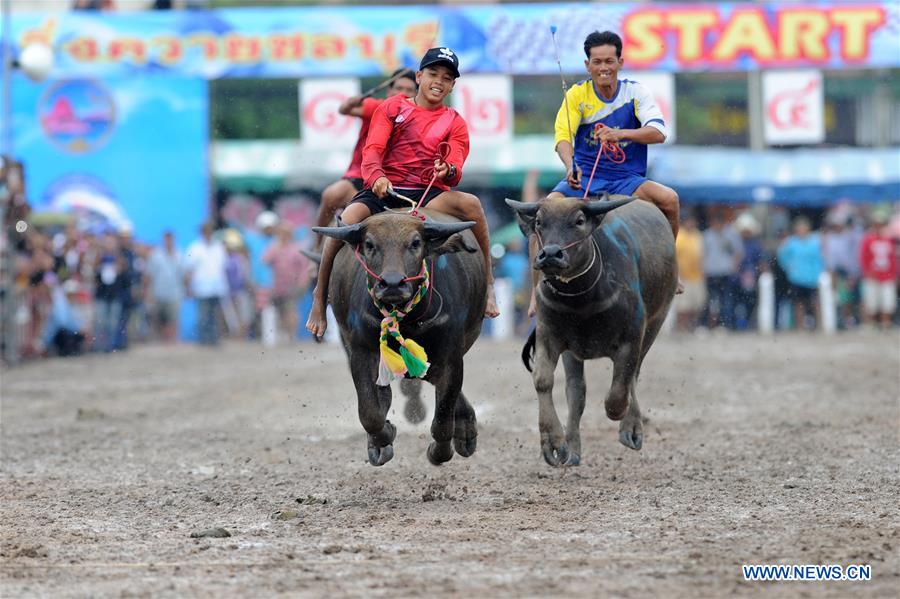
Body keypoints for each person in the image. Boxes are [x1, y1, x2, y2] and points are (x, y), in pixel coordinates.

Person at [306, 47, 499, 338]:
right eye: (433, 74)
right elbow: (373, 150)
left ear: (452, 86)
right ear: (419, 76)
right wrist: (377, 177)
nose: (439, 81)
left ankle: (488, 285)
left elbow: (457, 164)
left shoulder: (455, 121)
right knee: (344, 221)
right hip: (385, 190)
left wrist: (447, 169)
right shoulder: (391, 107)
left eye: (447, 78)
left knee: (472, 205)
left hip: (428, 192)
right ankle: (320, 297)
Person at [529, 30, 681, 315]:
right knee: (542, 213)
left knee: (669, 199)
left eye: (609, 61)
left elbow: (658, 132)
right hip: (584, 178)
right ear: (587, 65)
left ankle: (668, 267)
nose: (603, 68)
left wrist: (620, 133)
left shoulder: (636, 92)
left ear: (620, 62)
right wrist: (570, 165)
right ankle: (536, 292)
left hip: (627, 179)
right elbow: (563, 137)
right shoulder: (577, 95)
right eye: (597, 62)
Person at [311, 69, 418, 252]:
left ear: (416, 94)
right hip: (362, 175)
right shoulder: (378, 107)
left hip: (395, 182)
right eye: (399, 88)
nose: (403, 93)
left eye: (409, 90)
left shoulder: (418, 116)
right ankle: (318, 249)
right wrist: (349, 103)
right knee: (332, 194)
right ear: (389, 91)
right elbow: (344, 110)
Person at [263, 223, 309, 343]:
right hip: (278, 287)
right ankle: (286, 333)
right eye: (281, 233)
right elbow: (265, 260)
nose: (282, 236)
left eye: (285, 233)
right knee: (281, 311)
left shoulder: (296, 248)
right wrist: (276, 247)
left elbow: (304, 267)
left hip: (293, 286)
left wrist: (302, 282)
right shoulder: (274, 248)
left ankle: (291, 335)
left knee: (290, 309)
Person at [184, 222, 228, 346]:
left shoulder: (218, 247)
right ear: (202, 232)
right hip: (201, 288)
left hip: (217, 287)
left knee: (215, 315)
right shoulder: (194, 248)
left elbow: (223, 267)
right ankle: (203, 340)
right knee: (203, 315)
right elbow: (189, 269)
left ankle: (214, 339)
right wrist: (188, 287)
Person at [777, 217, 823, 330]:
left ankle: (819, 325)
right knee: (798, 303)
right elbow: (781, 256)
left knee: (815, 302)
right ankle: (800, 326)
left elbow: (820, 258)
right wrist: (788, 268)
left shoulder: (815, 242)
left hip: (812, 278)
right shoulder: (790, 242)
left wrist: (819, 271)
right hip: (796, 278)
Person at [702, 213, 743, 330]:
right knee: (711, 300)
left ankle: (725, 324)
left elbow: (739, 252)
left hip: (726, 272)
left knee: (727, 299)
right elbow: (702, 254)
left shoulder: (731, 234)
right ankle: (710, 325)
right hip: (711, 272)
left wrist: (734, 265)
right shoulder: (707, 235)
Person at [859, 210, 897, 329]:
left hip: (887, 275)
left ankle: (886, 323)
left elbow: (893, 258)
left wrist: (894, 274)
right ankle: (872, 323)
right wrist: (867, 272)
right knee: (872, 300)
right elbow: (863, 257)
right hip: (872, 275)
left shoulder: (889, 240)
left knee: (887, 300)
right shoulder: (868, 240)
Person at [145, 230, 184, 342]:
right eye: (167, 239)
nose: (168, 242)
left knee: (173, 319)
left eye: (170, 239)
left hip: (175, 293)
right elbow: (149, 275)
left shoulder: (179, 254)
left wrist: (186, 289)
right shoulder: (156, 255)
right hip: (158, 293)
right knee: (158, 319)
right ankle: (160, 342)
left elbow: (183, 275)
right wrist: (148, 292)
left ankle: (173, 342)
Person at [674, 214, 705, 332]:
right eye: (689, 221)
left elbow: (701, 255)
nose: (691, 224)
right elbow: (675, 256)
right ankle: (681, 327)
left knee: (697, 304)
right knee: (683, 306)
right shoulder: (679, 235)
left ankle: (689, 326)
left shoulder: (697, 235)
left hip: (697, 276)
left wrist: (702, 271)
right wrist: (678, 273)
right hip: (683, 276)